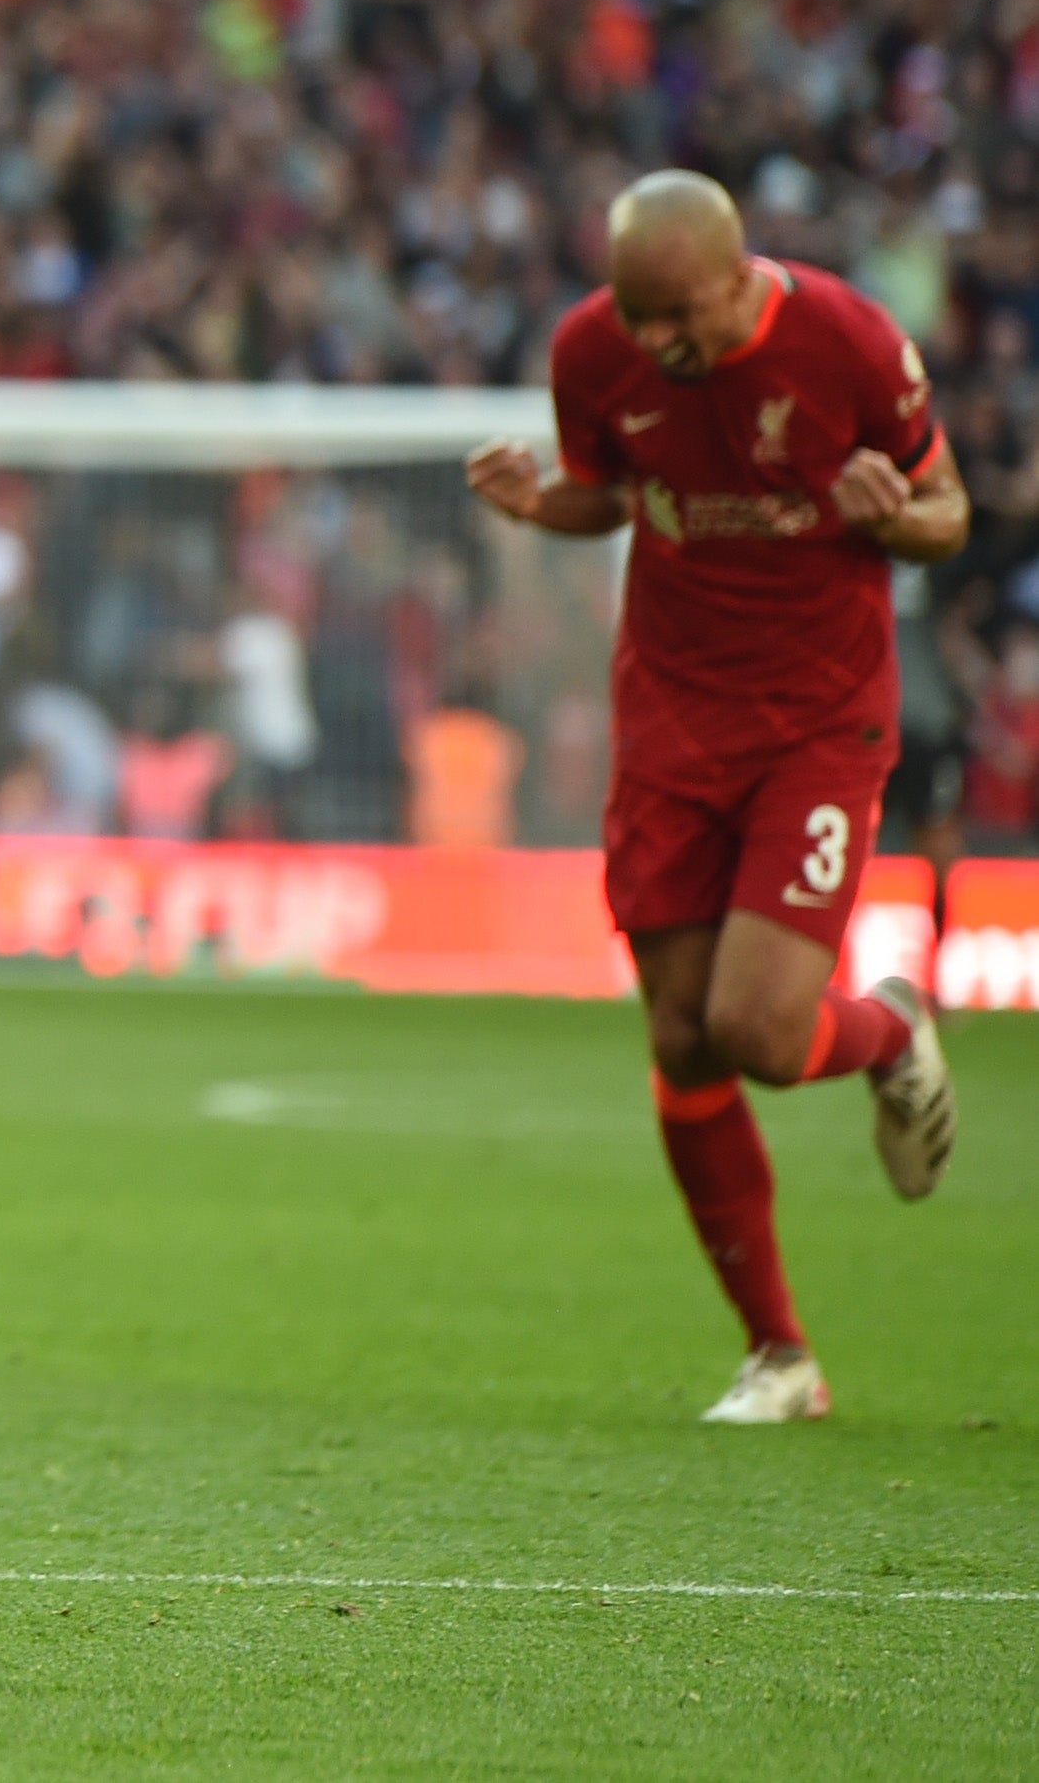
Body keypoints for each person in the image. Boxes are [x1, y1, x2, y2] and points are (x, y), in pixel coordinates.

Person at [466, 169, 964, 1425]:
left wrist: (897, 518)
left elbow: (950, 510)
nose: (654, 342)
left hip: (814, 723)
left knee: (753, 1026)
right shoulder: (593, 350)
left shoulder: (850, 343)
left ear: (738, 274)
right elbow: (614, 491)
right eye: (635, 315)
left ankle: (891, 1034)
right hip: (670, 721)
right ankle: (779, 1354)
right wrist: (545, 506)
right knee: (679, 1033)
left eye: (676, 315)